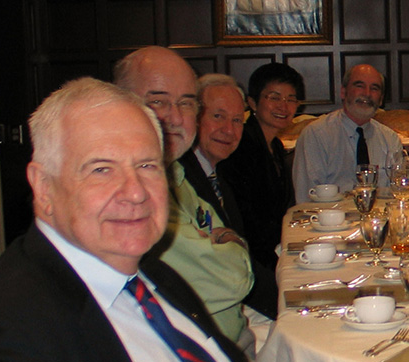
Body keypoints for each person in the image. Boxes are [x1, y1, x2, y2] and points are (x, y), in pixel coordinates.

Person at [0, 77, 267, 362]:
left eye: (147, 166)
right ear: (44, 187)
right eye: (101, 169)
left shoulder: (148, 274)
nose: (135, 192)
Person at [115, 46, 254, 344]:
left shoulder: (175, 174)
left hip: (234, 338)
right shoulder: (131, 197)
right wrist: (228, 245)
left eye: (186, 104)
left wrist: (228, 245)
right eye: (157, 101)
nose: (174, 118)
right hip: (197, 357)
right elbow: (235, 278)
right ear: (120, 106)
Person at [218, 62, 302, 319]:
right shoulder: (242, 147)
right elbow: (250, 224)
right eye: (274, 97)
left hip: (269, 255)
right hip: (250, 267)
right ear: (253, 103)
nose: (283, 106)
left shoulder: (275, 146)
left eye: (291, 99)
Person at [292, 64, 403, 202]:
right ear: (343, 92)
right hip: (331, 220)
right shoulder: (316, 135)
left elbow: (399, 192)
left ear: (380, 99)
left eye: (374, 88)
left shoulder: (390, 139)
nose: (367, 94)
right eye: (359, 86)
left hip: (379, 219)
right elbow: (306, 199)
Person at [181, 74, 245, 235]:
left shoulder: (223, 173)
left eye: (237, 120)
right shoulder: (180, 178)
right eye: (218, 116)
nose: (229, 130)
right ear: (194, 118)